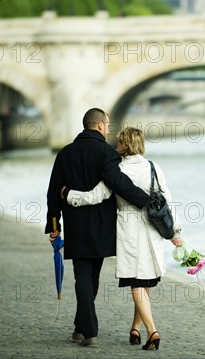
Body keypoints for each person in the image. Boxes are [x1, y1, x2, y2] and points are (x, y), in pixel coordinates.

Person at [64, 127, 182, 351]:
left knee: (137, 281)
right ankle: (135, 329)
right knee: (145, 281)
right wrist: (174, 232)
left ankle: (152, 331)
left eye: (118, 142)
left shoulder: (115, 169)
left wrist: (69, 195)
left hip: (129, 228)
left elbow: (95, 196)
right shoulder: (153, 167)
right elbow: (168, 200)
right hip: (154, 229)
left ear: (122, 145)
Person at [45, 109, 149, 347]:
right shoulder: (107, 153)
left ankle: (82, 328)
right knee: (92, 276)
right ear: (100, 126)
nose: (109, 129)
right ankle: (89, 331)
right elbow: (117, 182)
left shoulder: (65, 153)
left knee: (83, 275)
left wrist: (54, 224)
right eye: (108, 126)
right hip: (102, 225)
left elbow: (53, 192)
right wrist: (143, 199)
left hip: (76, 224)